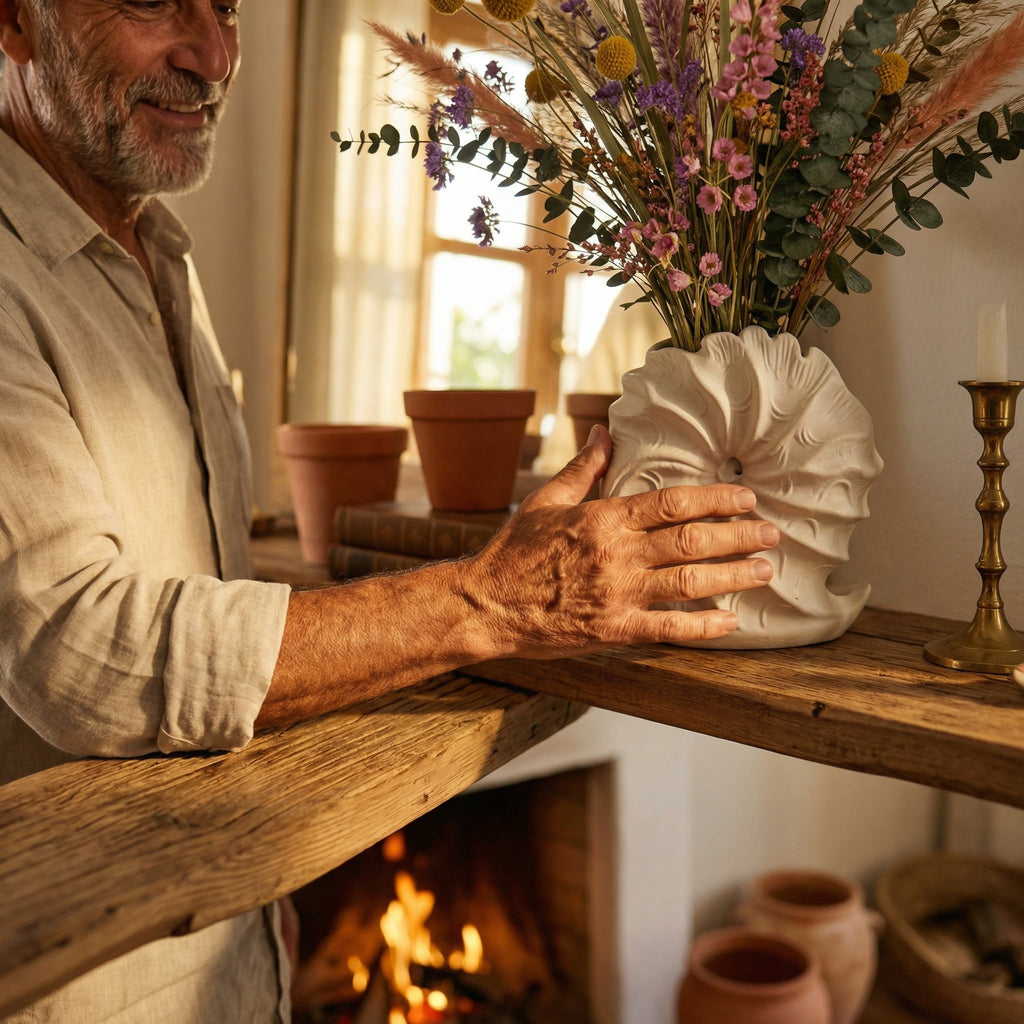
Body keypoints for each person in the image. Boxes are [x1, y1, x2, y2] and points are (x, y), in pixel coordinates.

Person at [0, 1, 780, 1020]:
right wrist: (492, 600)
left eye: (227, 6)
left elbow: (196, 592)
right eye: (154, 1)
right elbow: (83, 651)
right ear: (17, 20)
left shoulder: (156, 253)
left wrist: (261, 909)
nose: (216, 56)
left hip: (219, 946)